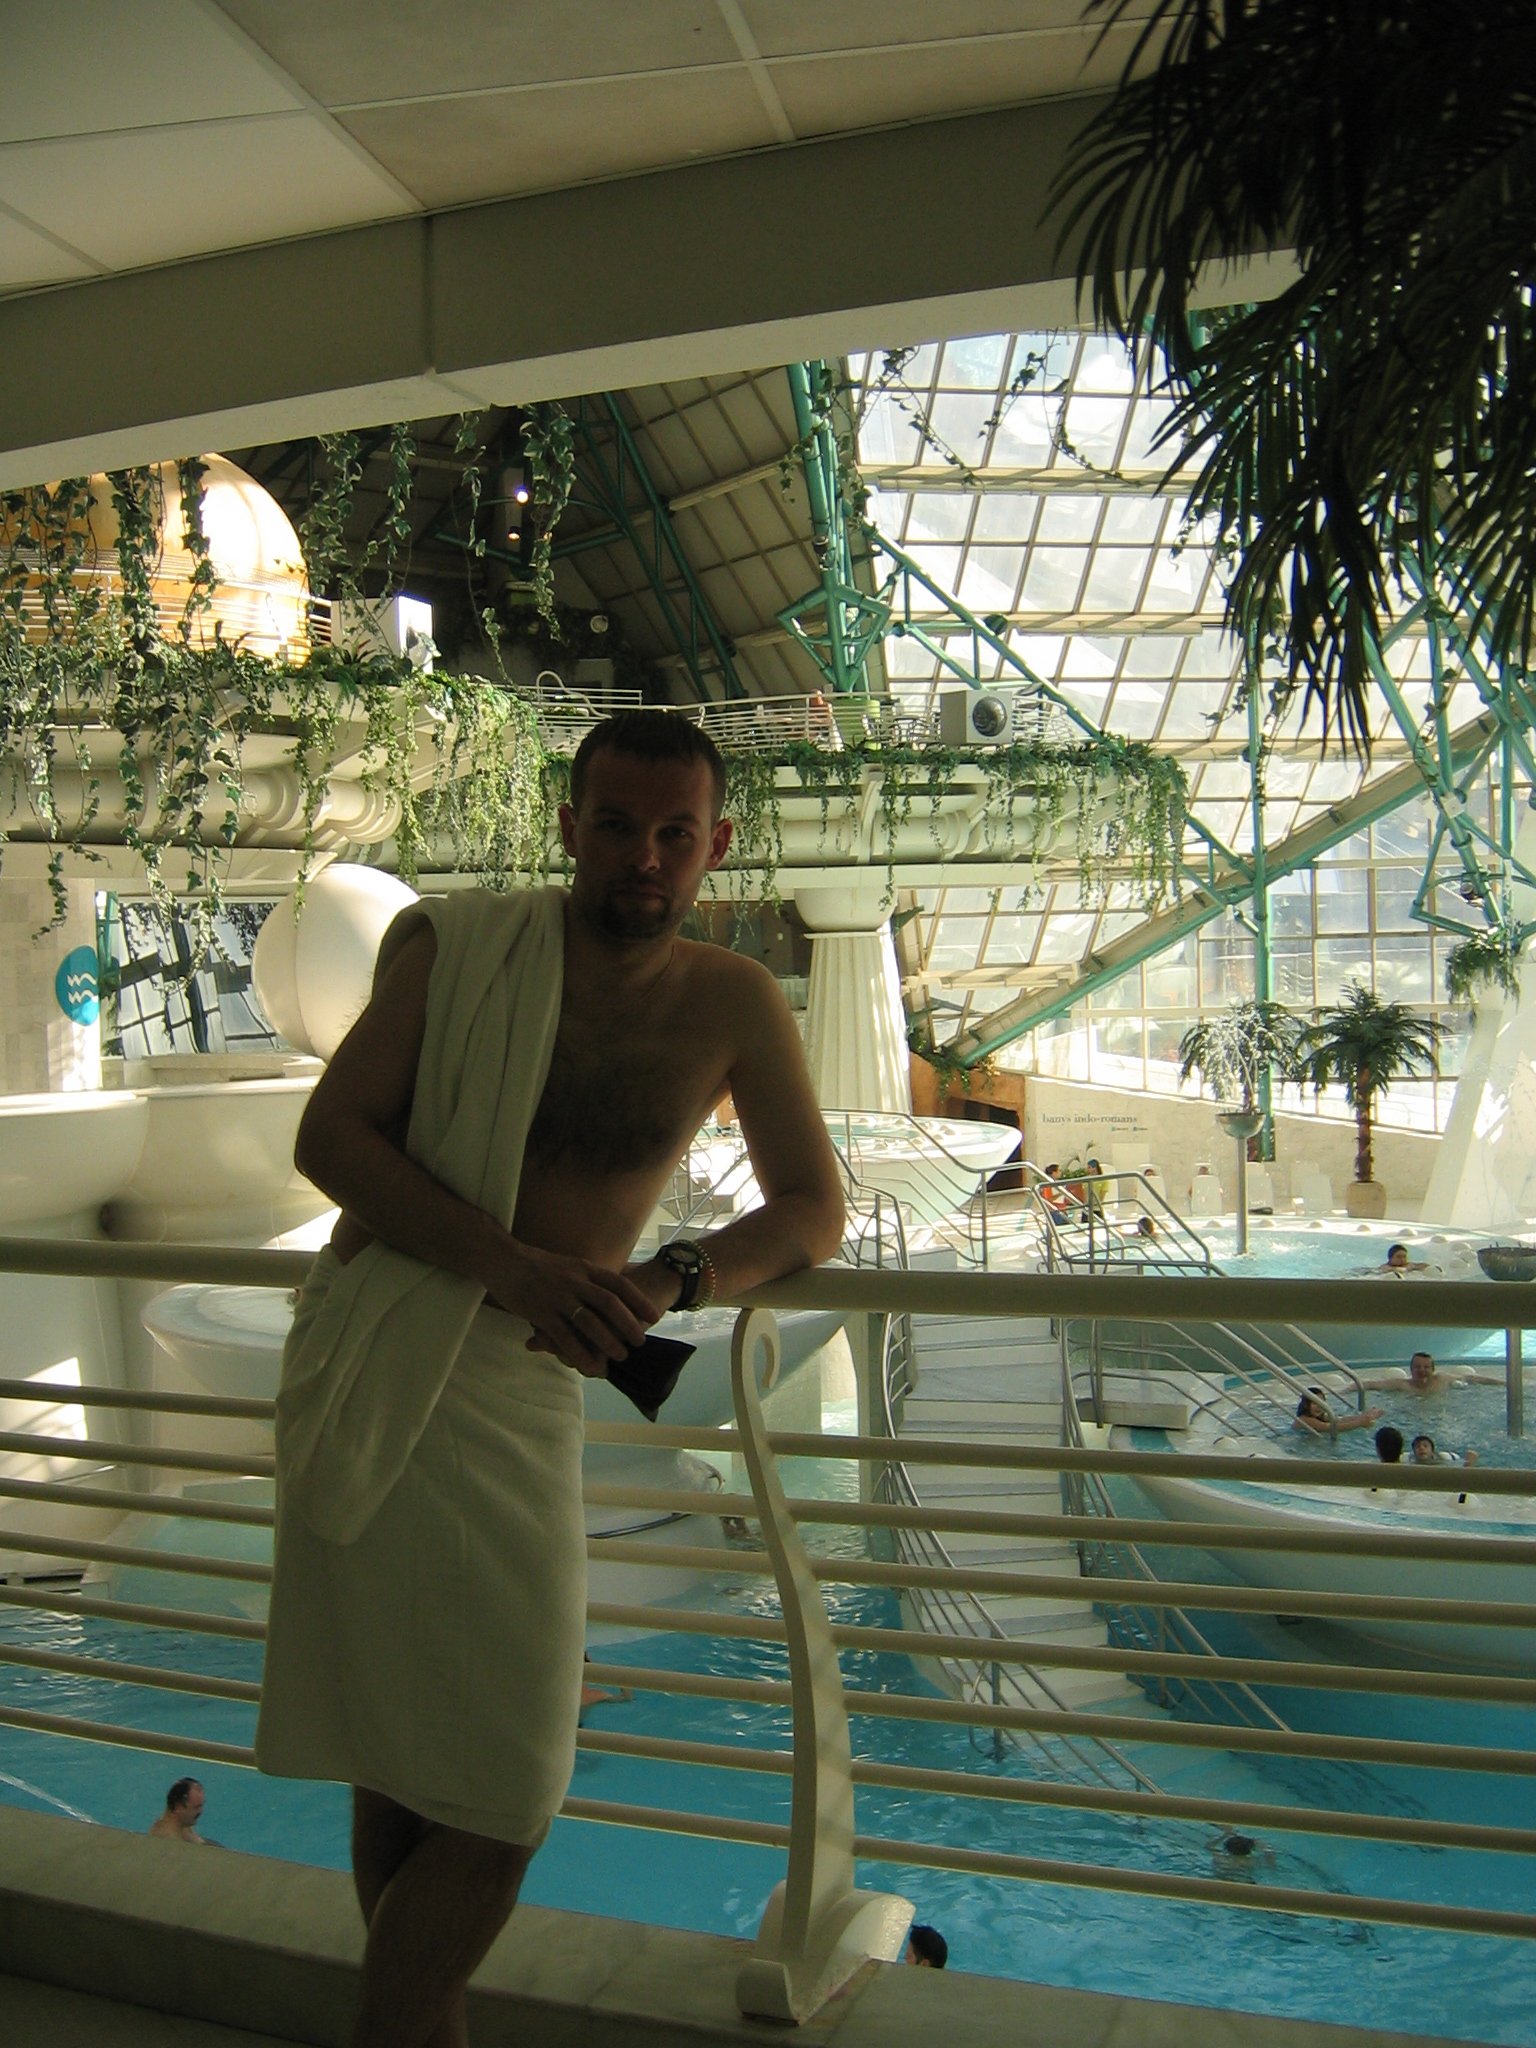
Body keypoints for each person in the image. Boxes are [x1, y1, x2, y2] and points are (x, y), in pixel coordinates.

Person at [255, 711, 846, 2048]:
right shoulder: (464, 950)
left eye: (675, 833)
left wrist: (674, 1277)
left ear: (716, 847)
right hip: (393, 1342)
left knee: (500, 1779)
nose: (645, 856)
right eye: (618, 825)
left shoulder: (732, 1002)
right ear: (570, 827)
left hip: (524, 1389)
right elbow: (331, 1137)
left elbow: (813, 1208)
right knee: (422, 1763)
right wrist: (512, 1268)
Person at [1294, 1388, 1384, 1436]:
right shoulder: (1304, 1420)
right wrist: (1359, 1423)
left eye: (1321, 1402)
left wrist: (1366, 1416)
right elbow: (1332, 1428)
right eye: (1314, 1403)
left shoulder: (1320, 1417)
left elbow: (1340, 1420)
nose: (1319, 1406)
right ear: (1305, 1405)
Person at [148, 1777, 207, 1844]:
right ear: (178, 1807)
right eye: (196, 1807)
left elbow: (201, 1843)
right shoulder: (166, 1838)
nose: (200, 1812)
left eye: (201, 1806)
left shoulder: (182, 1825)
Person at [1411, 1433, 1478, 1468]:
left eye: (1425, 1446)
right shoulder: (1410, 1462)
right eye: (1417, 1447)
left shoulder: (1444, 1459)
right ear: (1414, 1452)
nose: (1422, 1448)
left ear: (1432, 1451)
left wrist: (1467, 1463)